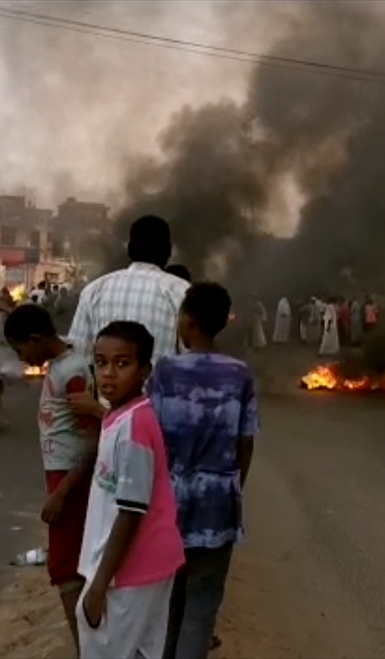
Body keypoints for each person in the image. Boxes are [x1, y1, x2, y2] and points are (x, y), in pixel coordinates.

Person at [148, 283, 258, 659]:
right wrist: (232, 487)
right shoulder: (240, 375)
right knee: (202, 602)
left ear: (189, 322)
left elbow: (152, 437)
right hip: (218, 502)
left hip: (170, 500)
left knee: (170, 601)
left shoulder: (165, 372)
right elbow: (246, 442)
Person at [76, 321, 184, 659]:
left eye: (122, 364)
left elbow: (132, 511)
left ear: (144, 371)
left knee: (106, 649)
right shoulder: (118, 416)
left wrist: (99, 585)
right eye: (101, 362)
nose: (108, 373)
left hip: (132, 568)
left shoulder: (135, 424)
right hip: (138, 563)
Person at [4, 304, 100, 656]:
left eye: (20, 349)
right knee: (71, 563)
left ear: (35, 339)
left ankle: (86, 650)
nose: (20, 358)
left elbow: (94, 437)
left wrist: (61, 493)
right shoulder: (66, 358)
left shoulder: (72, 372)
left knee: (65, 567)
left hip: (72, 479)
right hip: (63, 476)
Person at [68, 215, 189, 367]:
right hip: (162, 391)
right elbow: (191, 361)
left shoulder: (93, 291)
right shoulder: (181, 292)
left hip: (106, 390)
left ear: (130, 249)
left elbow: (79, 358)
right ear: (168, 251)